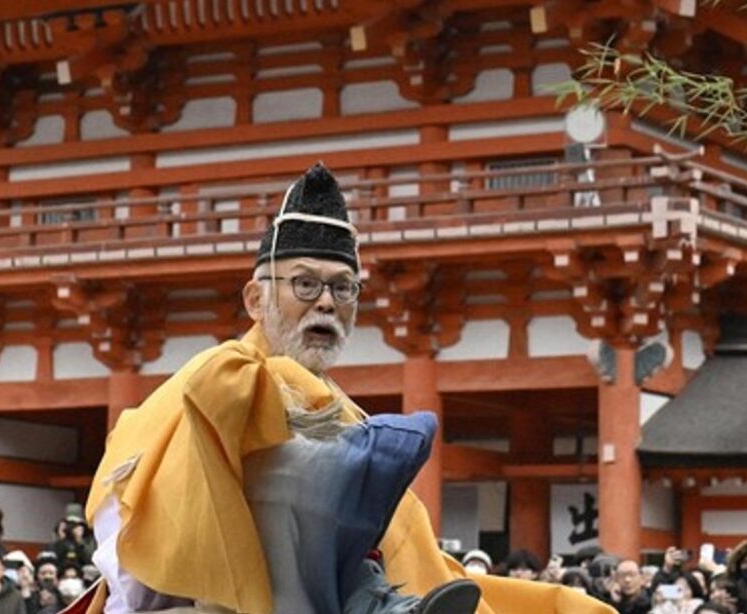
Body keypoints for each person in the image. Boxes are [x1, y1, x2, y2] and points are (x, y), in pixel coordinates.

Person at [79, 164, 610, 614]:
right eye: (305, 284)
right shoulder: (218, 374)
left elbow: (417, 556)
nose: (328, 303)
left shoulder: (346, 413)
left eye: (343, 287)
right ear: (254, 300)